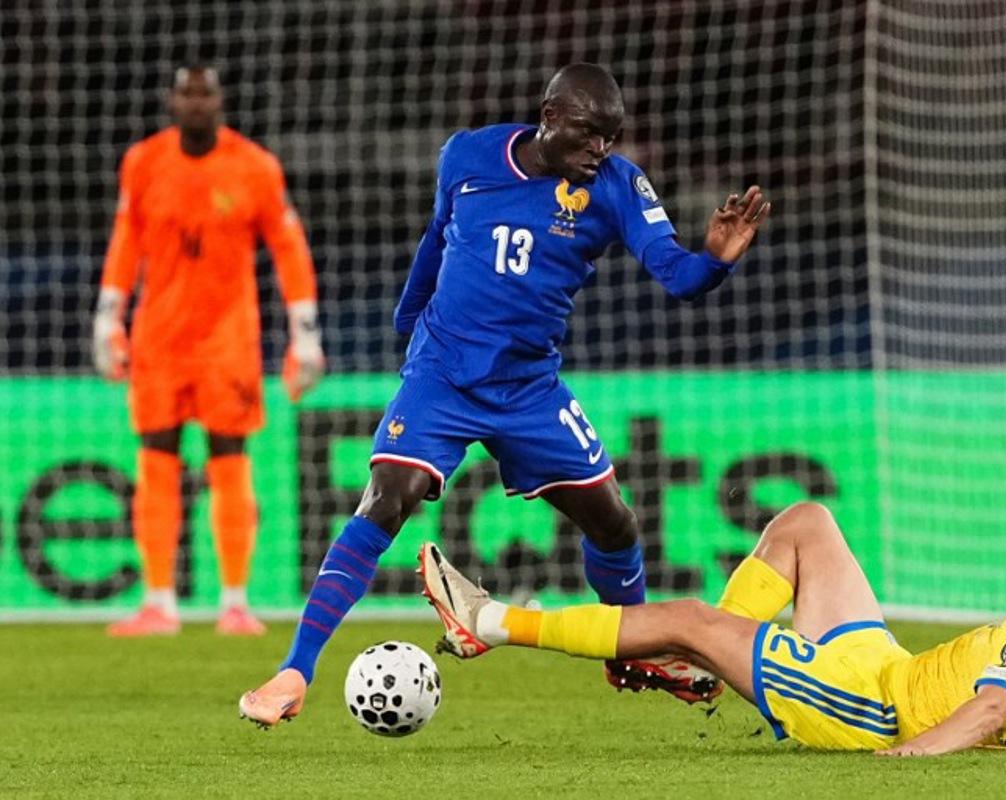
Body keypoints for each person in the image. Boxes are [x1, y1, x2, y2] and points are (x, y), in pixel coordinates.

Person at [237, 62, 770, 726]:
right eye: (588, 133)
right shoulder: (467, 155)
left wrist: (715, 260)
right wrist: (411, 330)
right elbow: (436, 240)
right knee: (386, 499)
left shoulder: (617, 186)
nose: (599, 149)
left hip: (528, 387)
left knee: (615, 523)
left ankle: (631, 651)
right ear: (549, 117)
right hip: (444, 376)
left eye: (610, 136)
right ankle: (295, 670)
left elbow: (678, 277)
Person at [418, 498, 1006, 754]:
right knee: (807, 523)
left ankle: (488, 621)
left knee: (687, 619)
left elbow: (995, 707)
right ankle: (705, 662)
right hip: (888, 667)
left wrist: (911, 755)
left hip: (870, 711)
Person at [94, 65, 325, 637]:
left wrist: (306, 332)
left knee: (229, 461)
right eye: (186, 93)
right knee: (156, 461)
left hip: (228, 342)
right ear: (172, 101)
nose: (195, 103)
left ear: (219, 101)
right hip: (160, 339)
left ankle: (235, 602)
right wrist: (107, 320)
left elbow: (288, 248)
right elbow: (126, 242)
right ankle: (158, 602)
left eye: (205, 93)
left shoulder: (254, 168)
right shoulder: (143, 163)